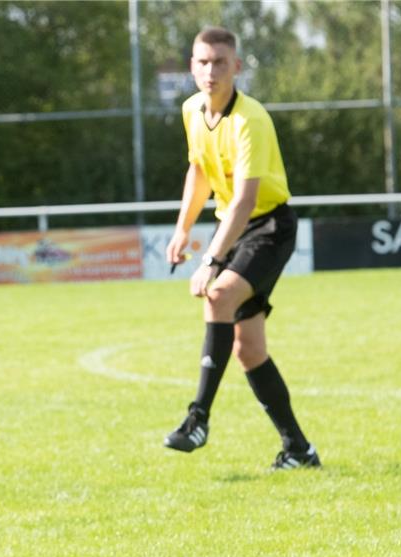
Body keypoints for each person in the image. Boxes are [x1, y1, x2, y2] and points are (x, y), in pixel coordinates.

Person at [163, 26, 319, 471]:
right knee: (248, 350)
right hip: (233, 227)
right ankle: (299, 449)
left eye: (219, 62)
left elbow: (247, 200)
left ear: (237, 66)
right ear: (192, 66)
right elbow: (199, 171)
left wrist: (210, 261)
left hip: (269, 226)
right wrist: (181, 230)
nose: (210, 70)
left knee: (219, 294)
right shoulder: (192, 109)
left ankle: (198, 418)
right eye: (202, 62)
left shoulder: (251, 118)